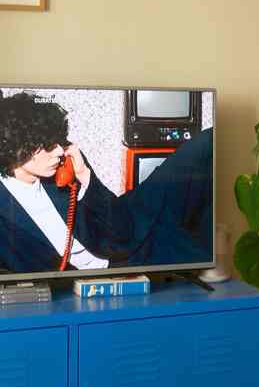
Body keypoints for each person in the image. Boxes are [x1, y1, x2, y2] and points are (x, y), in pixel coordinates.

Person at [0, 91, 213, 275]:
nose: (59, 151)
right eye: (47, 146)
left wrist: (85, 177)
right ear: (16, 149)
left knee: (206, 144)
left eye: (58, 141)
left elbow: (120, 227)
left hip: (127, 220)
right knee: (196, 253)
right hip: (120, 261)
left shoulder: (67, 162)